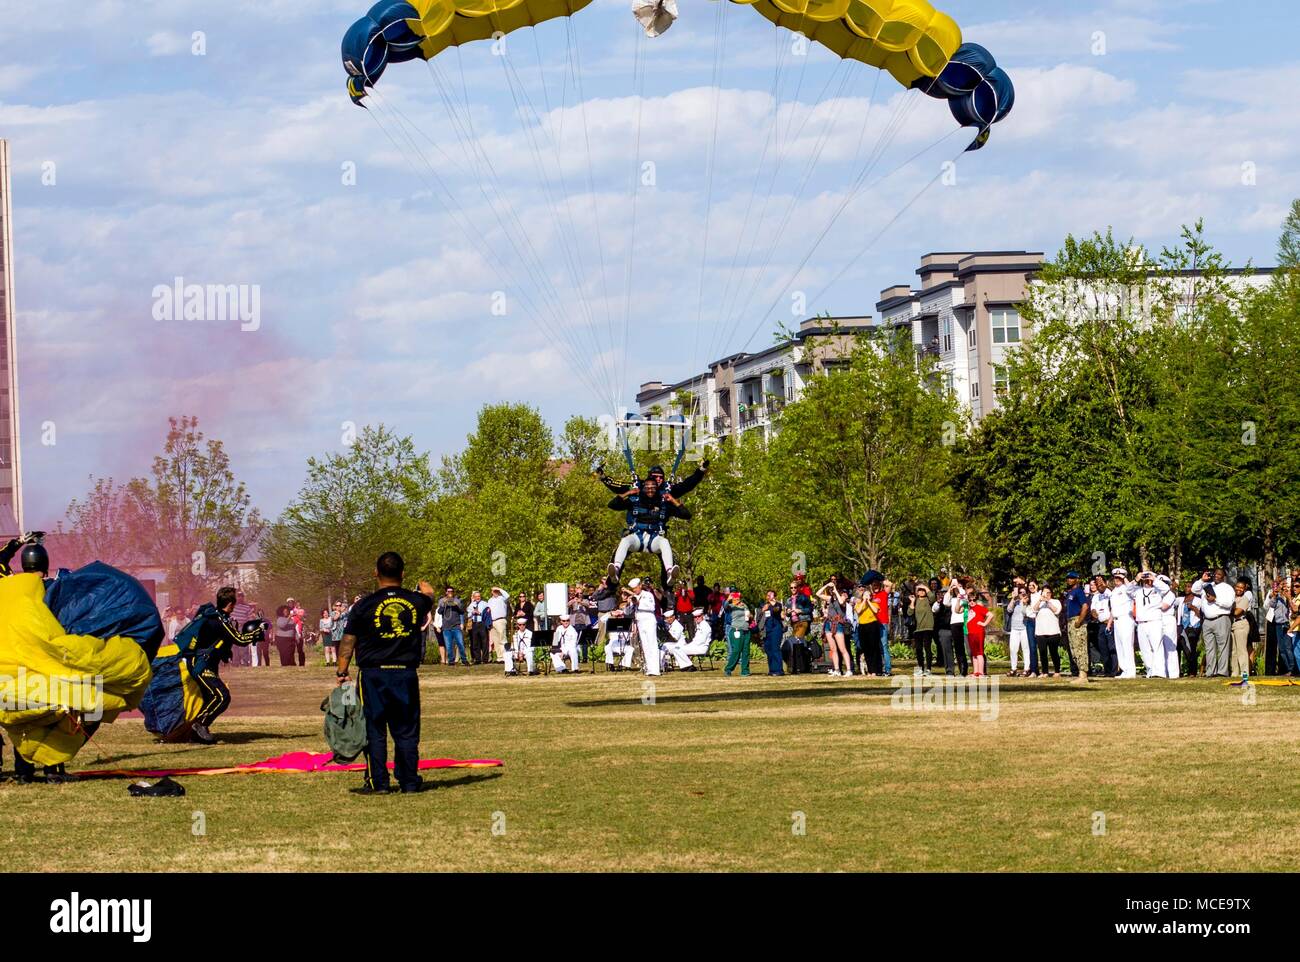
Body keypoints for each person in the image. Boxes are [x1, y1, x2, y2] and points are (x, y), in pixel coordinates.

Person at [335, 552, 433, 795]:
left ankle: (379, 783)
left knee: (374, 730)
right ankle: (409, 782)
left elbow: (348, 641)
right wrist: (421, 584)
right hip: (405, 674)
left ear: (375, 573)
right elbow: (430, 594)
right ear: (402, 574)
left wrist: (341, 671)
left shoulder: (363, 605)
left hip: (373, 675)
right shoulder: (416, 601)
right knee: (407, 730)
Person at [182, 586, 267, 744]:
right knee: (222, 696)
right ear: (230, 604)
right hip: (201, 665)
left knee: (210, 699)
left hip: (203, 663)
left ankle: (197, 735)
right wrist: (258, 631)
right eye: (234, 603)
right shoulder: (219, 620)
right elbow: (240, 640)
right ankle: (199, 724)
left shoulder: (216, 616)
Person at [1192, 569, 1234, 678]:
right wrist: (1202, 579)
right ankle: (1210, 671)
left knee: (1223, 647)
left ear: (1224, 576)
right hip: (1207, 620)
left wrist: (1215, 600)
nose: (1216, 576)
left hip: (1221, 619)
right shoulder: (1207, 586)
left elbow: (1229, 603)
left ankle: (1222, 671)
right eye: (1215, 574)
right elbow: (1194, 589)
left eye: (1219, 574)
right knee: (1209, 648)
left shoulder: (1228, 588)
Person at [818, 576, 854, 677]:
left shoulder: (843, 595)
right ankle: (837, 669)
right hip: (829, 623)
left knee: (842, 648)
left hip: (838, 624)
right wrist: (826, 586)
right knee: (833, 648)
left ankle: (849, 669)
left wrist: (836, 591)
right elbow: (818, 594)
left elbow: (842, 602)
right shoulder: (830, 598)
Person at [630, 578, 662, 676]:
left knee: (652, 643)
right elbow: (632, 610)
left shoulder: (647, 595)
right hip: (640, 621)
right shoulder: (634, 596)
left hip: (648, 619)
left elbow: (651, 607)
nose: (634, 590)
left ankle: (656, 669)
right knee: (645, 645)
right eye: (632, 589)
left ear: (640, 586)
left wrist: (639, 603)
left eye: (635, 588)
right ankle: (649, 668)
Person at [1062, 571, 1091, 683]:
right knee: (1074, 648)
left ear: (1077, 579)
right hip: (1070, 622)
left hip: (1076, 620)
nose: (1069, 580)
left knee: (1080, 647)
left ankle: (1083, 675)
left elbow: (1085, 606)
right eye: (1068, 578)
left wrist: (1079, 621)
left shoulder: (1079, 591)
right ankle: (1080, 673)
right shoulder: (1070, 592)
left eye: (1072, 578)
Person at [1110, 569, 1138, 679]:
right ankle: (1124, 670)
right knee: (1119, 647)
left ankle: (1131, 671)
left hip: (1126, 619)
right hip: (1116, 621)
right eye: (1115, 578)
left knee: (1127, 645)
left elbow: (1132, 589)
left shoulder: (1127, 588)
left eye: (1119, 578)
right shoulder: (1114, 591)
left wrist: (1126, 580)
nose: (1117, 580)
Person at [1030, 586, 1064, 677]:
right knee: (1042, 652)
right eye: (1044, 593)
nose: (1045, 594)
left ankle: (1057, 671)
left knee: (1054, 652)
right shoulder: (1039, 602)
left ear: (1051, 593)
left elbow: (1057, 611)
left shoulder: (1055, 602)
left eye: (1048, 592)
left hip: (1053, 632)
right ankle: (1045, 672)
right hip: (1040, 632)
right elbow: (1033, 609)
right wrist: (1040, 600)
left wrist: (1048, 601)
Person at [855, 586, 884, 677]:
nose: (867, 596)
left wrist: (868, 601)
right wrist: (864, 601)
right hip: (862, 626)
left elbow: (875, 611)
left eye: (869, 595)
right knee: (866, 649)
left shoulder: (874, 604)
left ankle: (875, 670)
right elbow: (859, 611)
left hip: (872, 625)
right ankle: (870, 670)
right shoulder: (858, 604)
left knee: (874, 648)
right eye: (865, 595)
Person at [722, 590, 751, 677]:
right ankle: (728, 669)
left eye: (738, 597)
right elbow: (725, 607)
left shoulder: (744, 605)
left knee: (746, 651)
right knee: (737, 650)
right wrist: (728, 599)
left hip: (746, 630)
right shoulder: (731, 606)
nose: (737, 598)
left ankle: (745, 671)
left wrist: (750, 616)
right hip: (736, 630)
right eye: (735, 597)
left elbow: (748, 615)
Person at [1005, 585, 1031, 676]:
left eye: (1024, 592)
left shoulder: (1028, 603)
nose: (1022, 594)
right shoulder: (1015, 602)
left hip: (1024, 628)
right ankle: (1013, 668)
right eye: (1020, 593)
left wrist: (1024, 603)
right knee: (1013, 649)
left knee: (1026, 649)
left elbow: (1026, 614)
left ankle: (1027, 668)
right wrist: (1013, 598)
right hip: (1014, 629)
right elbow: (1009, 609)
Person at [967, 591, 993, 677]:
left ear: (976, 600)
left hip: (978, 632)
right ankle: (976, 671)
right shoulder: (969, 609)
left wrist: (984, 623)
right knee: (974, 653)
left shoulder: (979, 607)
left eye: (974, 600)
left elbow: (990, 615)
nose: (972, 602)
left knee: (979, 653)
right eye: (970, 600)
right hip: (971, 633)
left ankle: (981, 672)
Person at [760, 590, 786, 676]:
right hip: (767, 630)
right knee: (768, 649)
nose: (768, 596)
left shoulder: (778, 604)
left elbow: (777, 610)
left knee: (775, 648)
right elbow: (759, 616)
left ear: (774, 596)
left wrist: (772, 604)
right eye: (767, 595)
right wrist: (763, 610)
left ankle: (778, 670)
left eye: (770, 595)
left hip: (776, 629)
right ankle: (771, 669)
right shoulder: (764, 605)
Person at [438, 588, 467, 666]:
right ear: (446, 592)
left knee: (460, 643)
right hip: (446, 627)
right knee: (448, 645)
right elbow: (439, 612)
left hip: (456, 626)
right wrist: (444, 604)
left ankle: (464, 660)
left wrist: (456, 605)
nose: (450, 593)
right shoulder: (442, 600)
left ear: (453, 592)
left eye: (451, 591)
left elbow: (462, 611)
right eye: (448, 591)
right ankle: (451, 661)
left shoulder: (457, 600)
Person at [467, 590, 490, 665]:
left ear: (480, 597)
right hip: (474, 623)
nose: (477, 598)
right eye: (476, 596)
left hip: (482, 623)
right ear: (474, 597)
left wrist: (479, 612)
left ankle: (485, 659)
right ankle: (477, 659)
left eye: (479, 596)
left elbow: (487, 613)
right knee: (475, 642)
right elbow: (468, 614)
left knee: (484, 641)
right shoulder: (471, 605)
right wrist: (472, 613)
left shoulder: (485, 604)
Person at [487, 587, 510, 663]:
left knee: (502, 639)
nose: (495, 592)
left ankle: (505, 656)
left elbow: (507, 596)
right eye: (494, 591)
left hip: (500, 620)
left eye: (496, 591)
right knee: (495, 640)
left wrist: (499, 589)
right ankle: (499, 657)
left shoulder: (502, 598)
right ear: (492, 592)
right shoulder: (490, 600)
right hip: (492, 621)